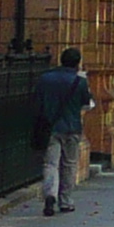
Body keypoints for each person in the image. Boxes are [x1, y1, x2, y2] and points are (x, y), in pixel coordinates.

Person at [34, 46, 93, 217]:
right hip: (72, 128)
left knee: (51, 163)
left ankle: (50, 194)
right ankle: (65, 201)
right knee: (69, 164)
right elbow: (86, 104)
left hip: (51, 127)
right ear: (77, 63)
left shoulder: (45, 79)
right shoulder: (79, 81)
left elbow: (38, 102)